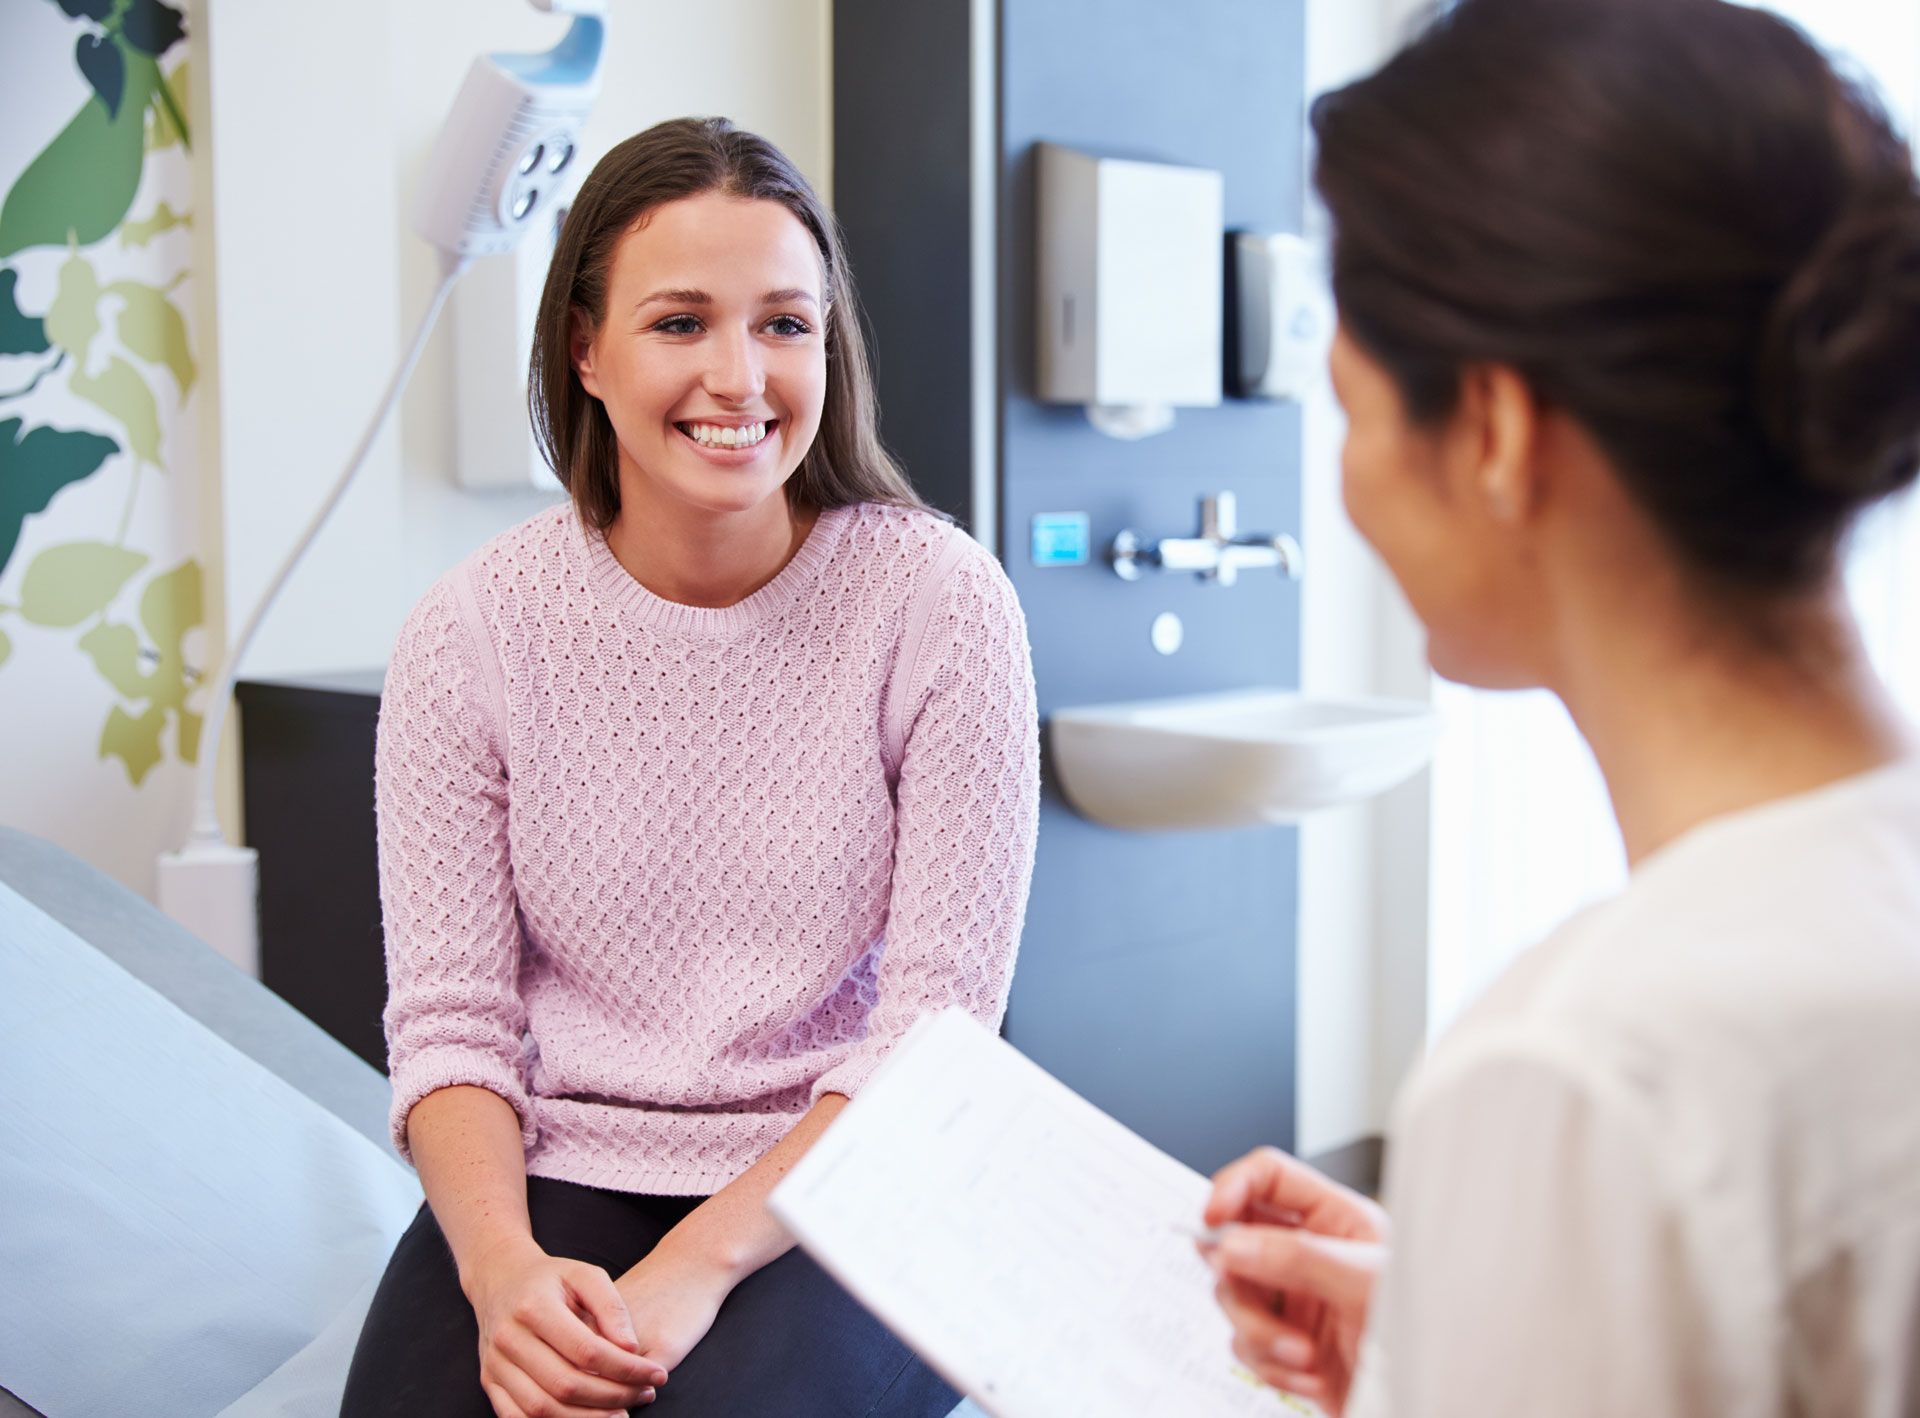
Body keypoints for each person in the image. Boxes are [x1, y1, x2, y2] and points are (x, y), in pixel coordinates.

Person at [1202, 1, 1920, 1413]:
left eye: (1350, 409)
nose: (1348, 490)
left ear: (1492, 432)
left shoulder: (1588, 1066)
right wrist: (1468, 1317)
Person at [341, 117, 1039, 1417]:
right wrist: (502, 1273)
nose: (742, 375)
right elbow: (450, 1023)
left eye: (785, 323)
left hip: (858, 1169)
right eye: (680, 323)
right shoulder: (470, 633)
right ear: (585, 350)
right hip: (568, 1161)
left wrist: (693, 1267)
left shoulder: (941, 605)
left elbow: (936, 1039)